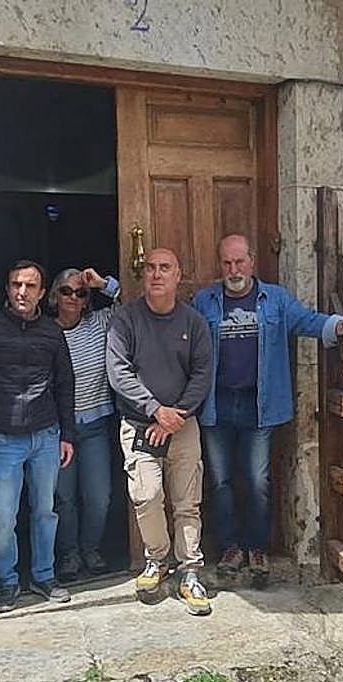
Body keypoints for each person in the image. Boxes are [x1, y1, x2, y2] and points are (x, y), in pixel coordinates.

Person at [192, 234, 343, 585]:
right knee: (221, 481)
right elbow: (182, 338)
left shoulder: (274, 300)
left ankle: (257, 548)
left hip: (259, 404)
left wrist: (342, 324)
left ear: (252, 261)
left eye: (239, 261)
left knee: (257, 480)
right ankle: (230, 548)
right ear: (220, 265)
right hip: (217, 405)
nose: (234, 269)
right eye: (227, 263)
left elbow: (307, 320)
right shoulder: (204, 301)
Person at [106, 247, 214, 616]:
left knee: (188, 503)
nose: (156, 274)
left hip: (182, 425)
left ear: (178, 274)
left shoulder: (194, 322)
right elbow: (118, 372)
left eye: (165, 268)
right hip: (139, 424)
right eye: (150, 268)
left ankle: (190, 573)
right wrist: (155, 411)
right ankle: (157, 560)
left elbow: (202, 374)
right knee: (147, 495)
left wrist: (175, 416)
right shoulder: (125, 320)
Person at [0, 259, 76, 612]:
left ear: (41, 293)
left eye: (30, 286)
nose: (22, 292)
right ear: (7, 289)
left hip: (45, 434)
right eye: (16, 284)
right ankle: (6, 582)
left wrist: (67, 435)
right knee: (3, 515)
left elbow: (66, 384)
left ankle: (44, 575)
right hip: (3, 436)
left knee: (45, 510)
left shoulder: (52, 332)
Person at [48, 266, 121, 582]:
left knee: (99, 495)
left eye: (80, 292)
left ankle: (91, 548)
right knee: (64, 497)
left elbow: (134, 306)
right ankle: (70, 555)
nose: (73, 297)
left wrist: (104, 284)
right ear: (53, 295)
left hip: (94, 424)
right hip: (57, 429)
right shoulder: (44, 331)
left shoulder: (100, 322)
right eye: (66, 291)